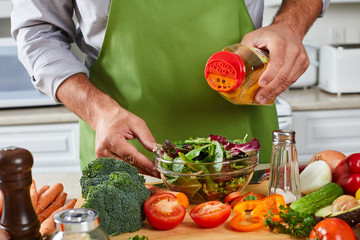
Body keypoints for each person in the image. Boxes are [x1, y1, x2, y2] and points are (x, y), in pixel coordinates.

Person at [11, 0, 329, 178]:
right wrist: (96, 109)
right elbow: (36, 30)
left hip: (243, 153)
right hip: (125, 153)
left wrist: (290, 25)